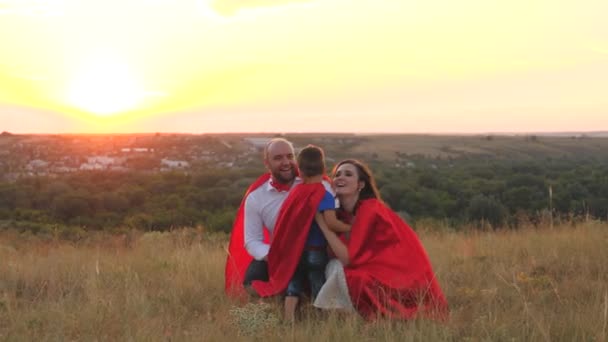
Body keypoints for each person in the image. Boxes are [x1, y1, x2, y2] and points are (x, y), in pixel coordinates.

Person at [312, 159, 449, 320]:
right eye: (337, 175)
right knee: (334, 266)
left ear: (360, 185)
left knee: (346, 273)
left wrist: (323, 224)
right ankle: (341, 316)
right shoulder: (341, 215)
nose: (340, 178)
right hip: (377, 270)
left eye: (348, 174)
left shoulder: (370, 208)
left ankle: (355, 317)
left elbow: (349, 259)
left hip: (400, 277)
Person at [250, 145, 350, 321]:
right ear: (324, 168)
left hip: (295, 252)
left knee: (293, 283)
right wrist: (350, 227)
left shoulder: (296, 192)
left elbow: (286, 221)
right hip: (316, 250)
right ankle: (320, 317)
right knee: (317, 282)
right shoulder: (323, 193)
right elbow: (331, 222)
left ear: (300, 172)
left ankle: (288, 319)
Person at [224, 138, 300, 297]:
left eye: (289, 156)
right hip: (277, 257)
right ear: (267, 163)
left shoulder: (313, 186)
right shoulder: (256, 197)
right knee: (252, 282)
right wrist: (273, 255)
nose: (286, 162)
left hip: (313, 253)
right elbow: (252, 240)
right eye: (278, 158)